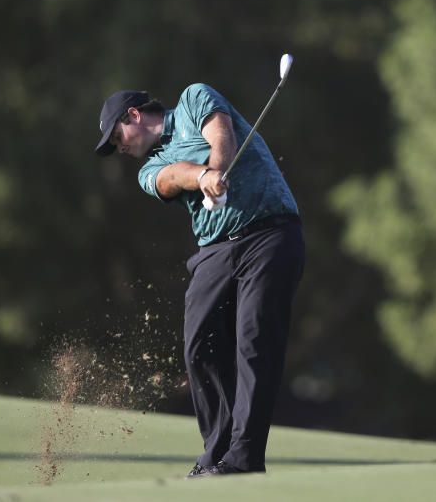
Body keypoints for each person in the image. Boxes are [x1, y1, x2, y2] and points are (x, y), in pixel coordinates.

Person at [95, 83, 305, 477]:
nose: (118, 147)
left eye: (116, 136)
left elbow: (220, 132)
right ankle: (217, 453)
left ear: (133, 115)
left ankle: (243, 460)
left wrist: (219, 168)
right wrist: (204, 176)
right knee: (200, 346)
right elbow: (171, 177)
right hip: (216, 250)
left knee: (254, 343)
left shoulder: (194, 98)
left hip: (271, 233)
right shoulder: (148, 170)